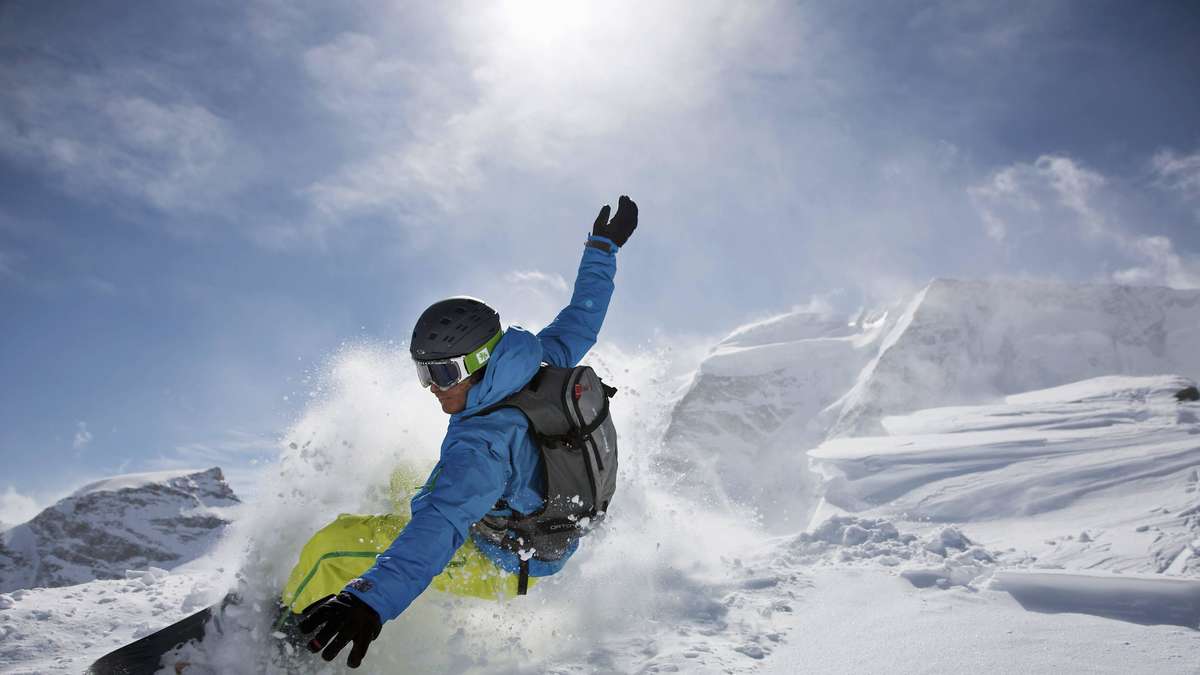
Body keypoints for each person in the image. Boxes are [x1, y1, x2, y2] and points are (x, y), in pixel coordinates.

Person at [288, 196, 638, 669]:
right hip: (543, 529)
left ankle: (279, 642)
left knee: (330, 544)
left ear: (476, 363)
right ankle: (396, 547)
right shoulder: (536, 362)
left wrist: (371, 600)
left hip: (505, 564)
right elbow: (582, 316)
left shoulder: (481, 444)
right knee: (404, 481)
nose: (432, 388)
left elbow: (446, 522)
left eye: (443, 374)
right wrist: (602, 249)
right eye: (423, 374)